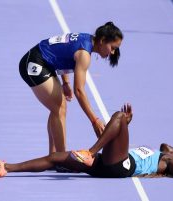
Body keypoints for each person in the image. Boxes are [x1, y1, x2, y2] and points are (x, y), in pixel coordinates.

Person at [0, 104, 173, 180]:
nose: (166, 145)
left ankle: (90, 151)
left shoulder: (171, 161)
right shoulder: (153, 152)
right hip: (107, 163)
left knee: (119, 116)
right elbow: (118, 145)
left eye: (171, 147)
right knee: (56, 158)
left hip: (122, 167)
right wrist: (126, 126)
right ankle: (6, 167)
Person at [19, 21, 123, 154]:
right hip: (34, 63)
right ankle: (61, 159)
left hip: (41, 61)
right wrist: (94, 120)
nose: (113, 53)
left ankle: (54, 155)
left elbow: (63, 53)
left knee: (57, 107)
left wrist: (65, 83)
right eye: (112, 47)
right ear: (102, 40)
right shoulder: (84, 54)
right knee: (59, 107)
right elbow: (79, 91)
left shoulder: (86, 39)